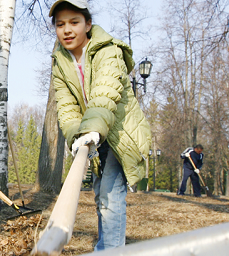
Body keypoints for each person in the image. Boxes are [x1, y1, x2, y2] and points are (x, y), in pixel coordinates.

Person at [48, 0, 152, 250]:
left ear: (88, 24)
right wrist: (77, 136)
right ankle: (108, 247)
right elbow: (66, 107)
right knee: (100, 194)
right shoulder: (60, 62)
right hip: (93, 135)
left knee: (110, 195)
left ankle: (110, 251)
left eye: (74, 22)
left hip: (119, 132)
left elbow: (105, 92)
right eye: (60, 24)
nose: (67, 30)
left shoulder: (108, 50)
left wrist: (92, 128)